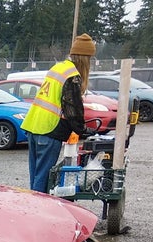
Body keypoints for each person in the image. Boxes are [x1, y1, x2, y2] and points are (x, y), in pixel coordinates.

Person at [21, 33, 97, 193]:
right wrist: (83, 129)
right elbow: (73, 110)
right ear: (86, 59)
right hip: (49, 130)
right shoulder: (72, 76)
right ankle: (39, 207)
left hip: (33, 127)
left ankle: (32, 204)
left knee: (35, 177)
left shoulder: (58, 68)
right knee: (43, 180)